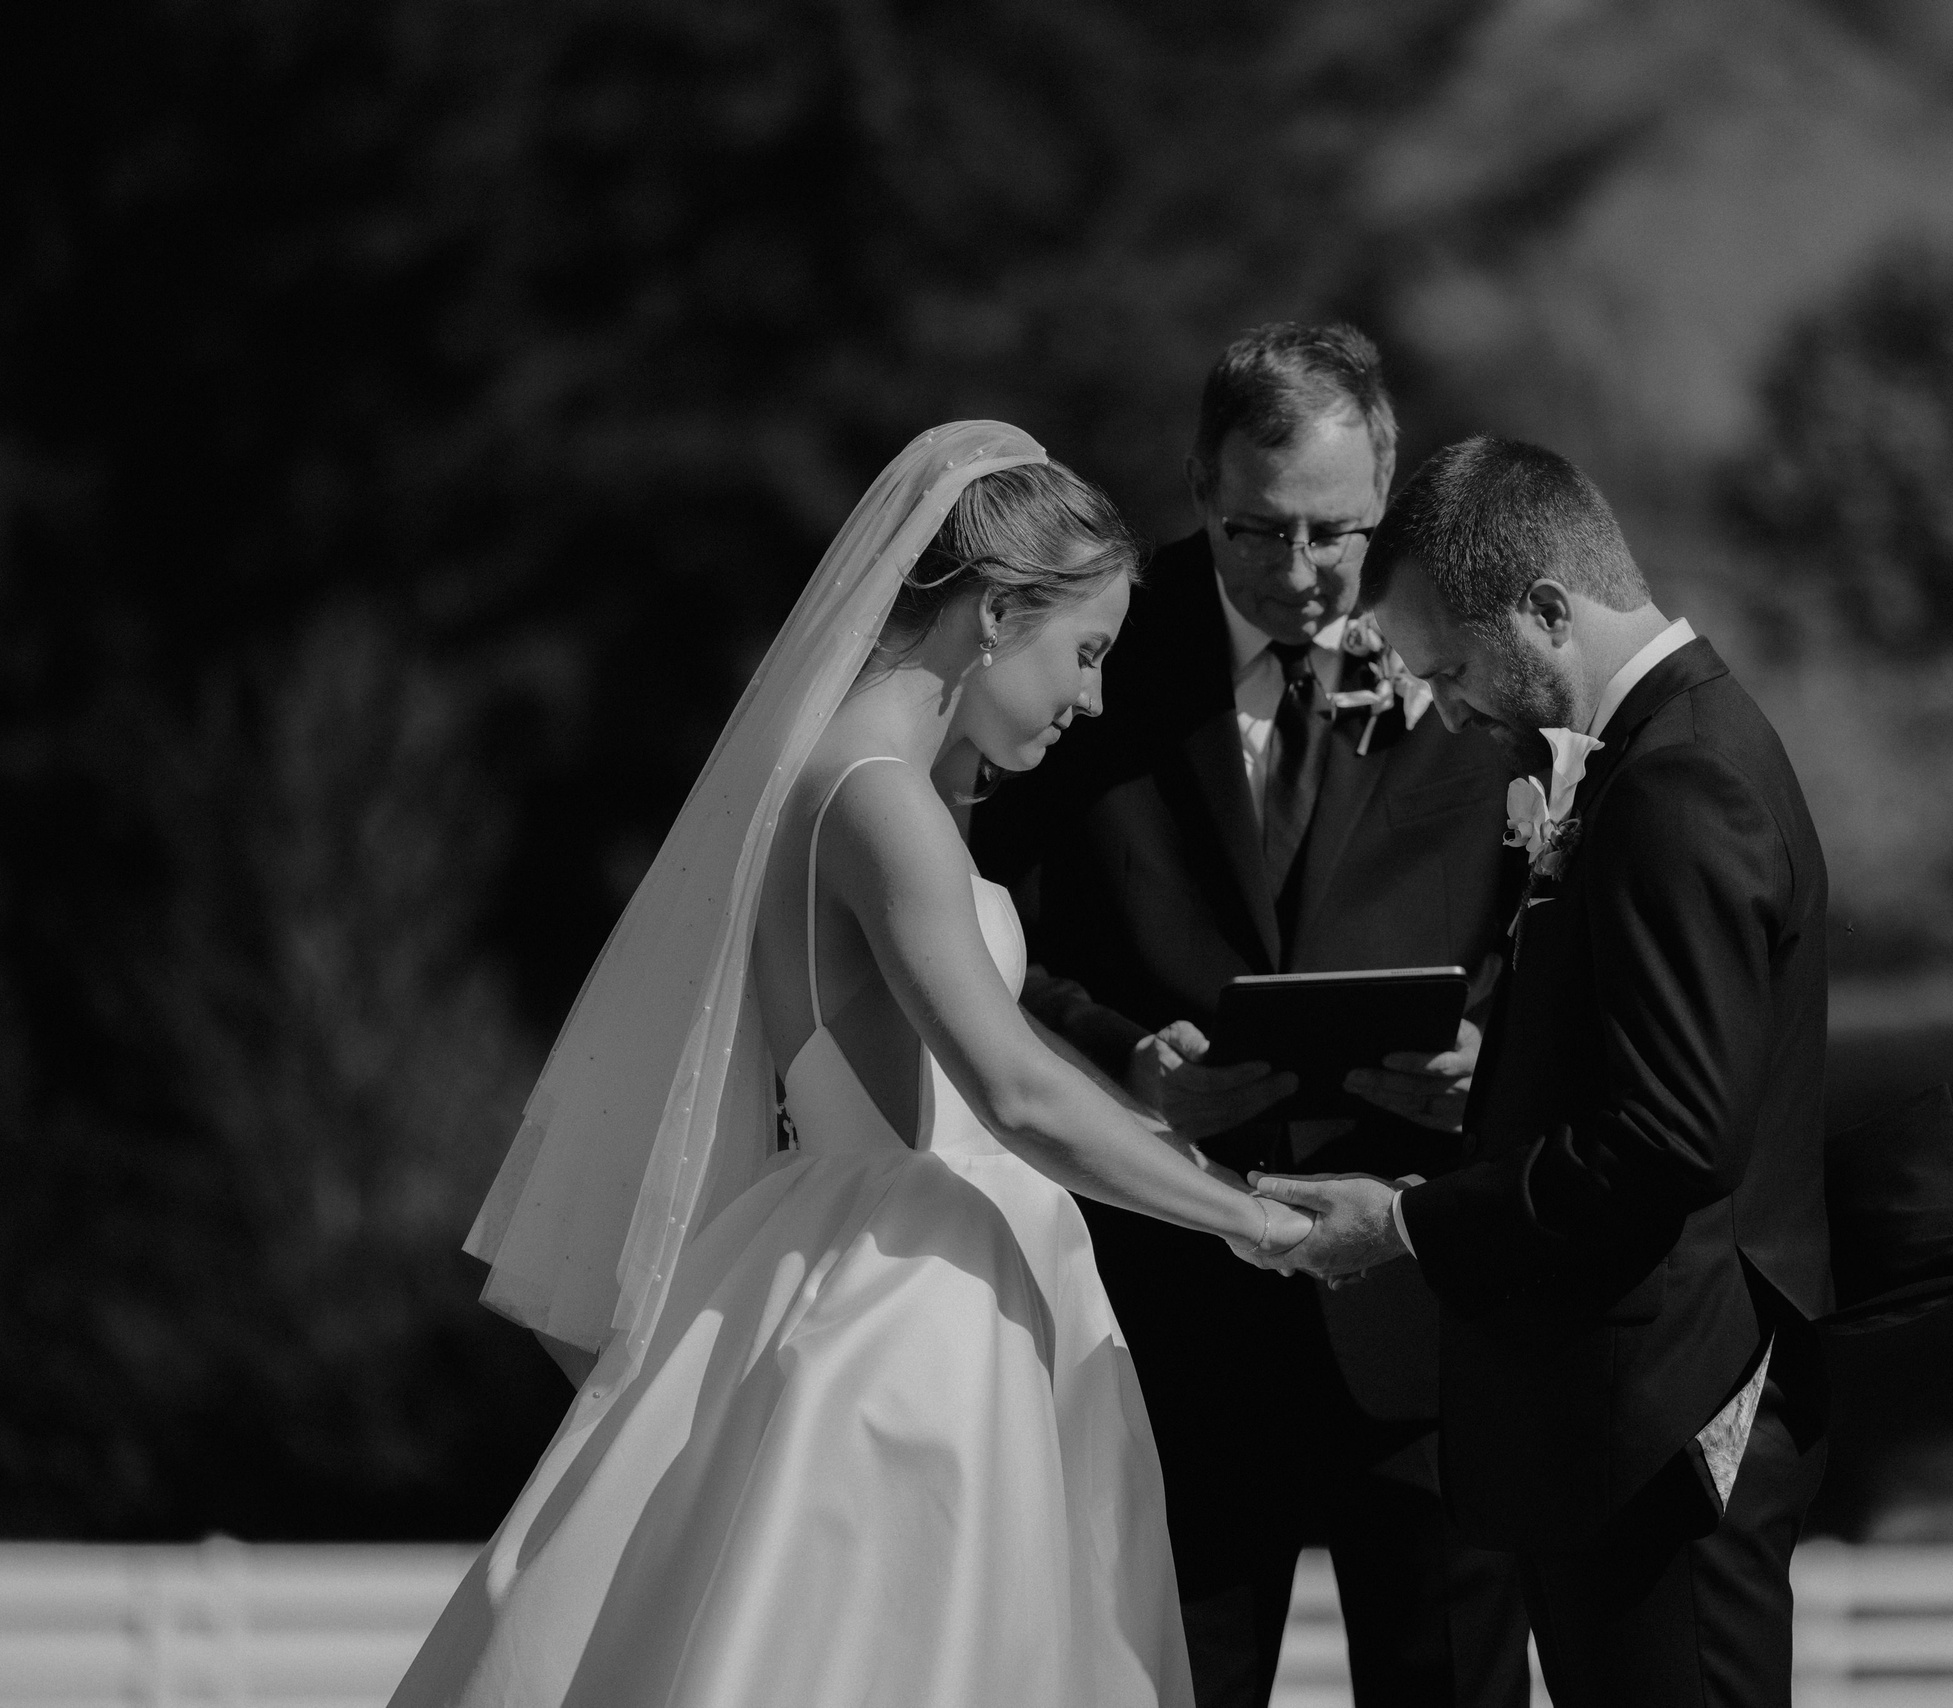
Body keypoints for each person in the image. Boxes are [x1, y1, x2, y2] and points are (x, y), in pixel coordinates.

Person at [391, 422, 1310, 1708]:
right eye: (1085, 652)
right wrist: (1253, 1219)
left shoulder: (860, 791)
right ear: (995, 612)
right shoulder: (878, 803)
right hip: (908, 1308)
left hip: (886, 1258)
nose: (1093, 698)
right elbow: (1016, 1093)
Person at [972, 325, 1532, 1708]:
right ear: (1194, 487)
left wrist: (1491, 1057)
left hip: (1425, 1295)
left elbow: (1560, 919)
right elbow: (991, 932)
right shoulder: (1094, 652)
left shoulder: (1480, 651)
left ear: (1387, 498)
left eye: (1333, 538)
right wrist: (1125, 1063)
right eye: (1251, 532)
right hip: (1171, 1303)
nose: (1294, 574)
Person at [1255, 437, 1836, 1708]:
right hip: (1615, 1417)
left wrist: (1406, 1221)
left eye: (1452, 668)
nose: (1449, 710)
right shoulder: (1664, 754)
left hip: (1666, 1421)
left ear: (1547, 609)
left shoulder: (1679, 784)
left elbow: (1672, 1139)